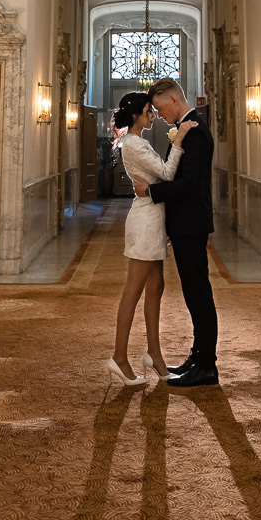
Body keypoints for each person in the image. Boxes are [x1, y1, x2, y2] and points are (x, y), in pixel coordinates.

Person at [131, 77, 219, 387]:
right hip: (184, 224)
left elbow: (189, 184)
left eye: (159, 107)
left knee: (199, 294)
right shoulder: (187, 127)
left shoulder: (195, 131)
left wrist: (151, 192)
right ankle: (198, 356)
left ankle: (207, 365)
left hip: (191, 224)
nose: (159, 114)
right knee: (194, 293)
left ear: (172, 100)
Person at [105, 91, 197, 386]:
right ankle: (119, 358)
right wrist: (179, 139)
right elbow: (168, 174)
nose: (153, 115)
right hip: (145, 221)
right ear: (135, 116)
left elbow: (158, 179)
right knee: (133, 291)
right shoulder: (133, 144)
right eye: (148, 111)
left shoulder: (136, 142)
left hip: (154, 219)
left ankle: (154, 355)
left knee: (157, 287)